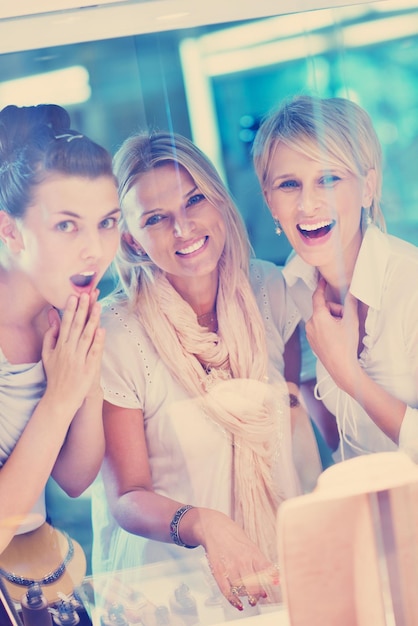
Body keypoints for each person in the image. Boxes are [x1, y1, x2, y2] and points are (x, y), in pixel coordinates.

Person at [91, 130, 304, 614]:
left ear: (220, 201)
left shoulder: (271, 289)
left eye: (194, 201)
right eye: (156, 219)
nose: (183, 228)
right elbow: (126, 496)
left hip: (275, 571)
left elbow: (287, 425)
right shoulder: (117, 335)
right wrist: (204, 524)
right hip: (174, 591)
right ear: (131, 239)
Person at [252, 94, 418, 463]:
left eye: (329, 178)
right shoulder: (290, 288)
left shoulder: (411, 286)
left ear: (368, 187)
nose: (307, 204)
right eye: (289, 185)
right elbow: (335, 434)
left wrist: (349, 375)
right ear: (269, 201)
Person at [0, 103, 121, 557]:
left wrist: (82, 385)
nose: (94, 250)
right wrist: (59, 398)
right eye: (66, 225)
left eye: (107, 223)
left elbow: (74, 478)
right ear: (9, 231)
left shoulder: (66, 313)